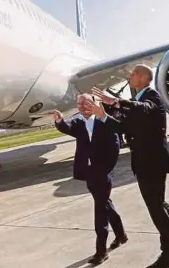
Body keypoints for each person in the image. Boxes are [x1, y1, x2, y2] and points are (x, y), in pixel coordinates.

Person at [85, 65, 169, 268]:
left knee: (155, 206)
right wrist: (102, 113)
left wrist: (116, 101)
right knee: (158, 203)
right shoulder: (138, 101)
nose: (129, 77)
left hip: (153, 161)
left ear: (144, 78)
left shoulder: (152, 97)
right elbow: (122, 127)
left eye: (133, 74)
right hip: (144, 162)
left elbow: (145, 109)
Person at [53, 94, 128, 265]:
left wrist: (106, 169)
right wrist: (59, 121)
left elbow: (115, 147)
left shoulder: (104, 121)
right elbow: (67, 127)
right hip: (89, 172)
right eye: (78, 103)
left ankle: (101, 251)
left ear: (94, 103)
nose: (81, 106)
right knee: (105, 203)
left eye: (84, 102)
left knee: (100, 209)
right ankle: (121, 234)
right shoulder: (78, 122)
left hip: (103, 172)